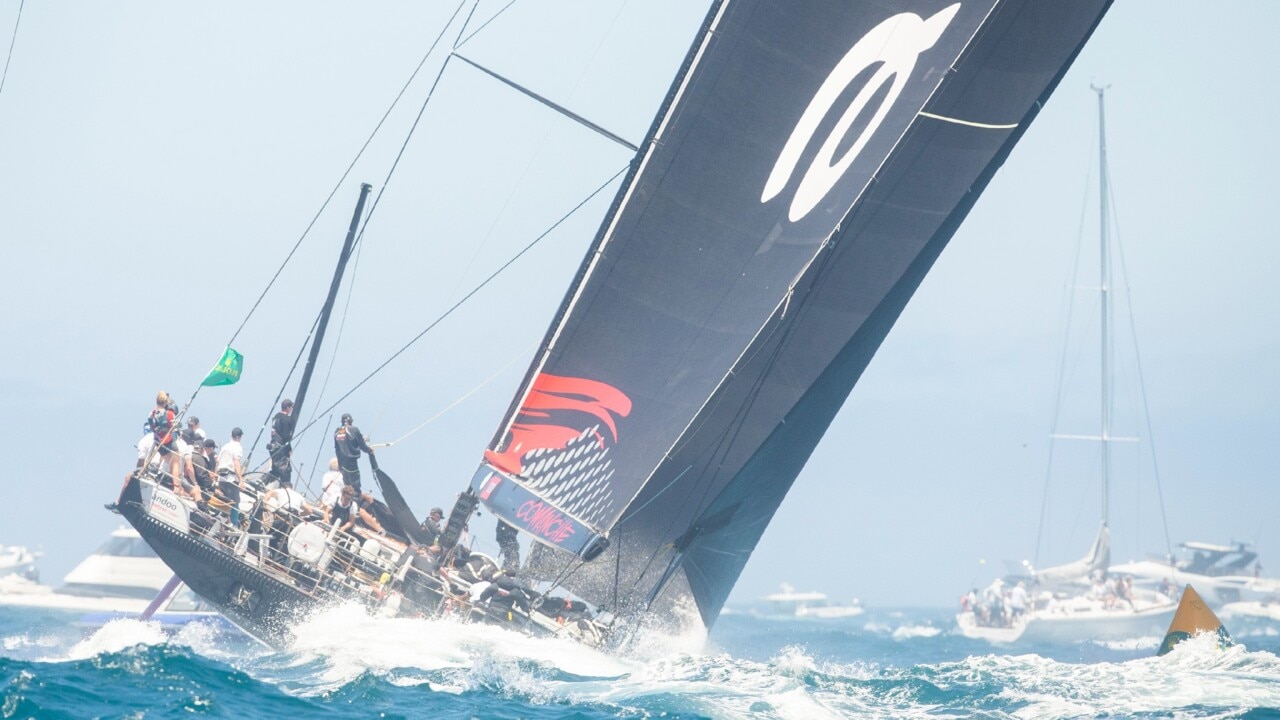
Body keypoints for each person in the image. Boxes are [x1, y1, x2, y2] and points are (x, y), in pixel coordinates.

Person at [333, 413, 375, 494]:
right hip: (351, 464)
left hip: (342, 464)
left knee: (346, 487)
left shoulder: (337, 431)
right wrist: (370, 450)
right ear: (350, 421)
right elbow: (362, 445)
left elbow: (338, 448)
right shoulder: (354, 429)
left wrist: (339, 465)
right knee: (355, 488)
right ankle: (355, 504)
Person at [216, 427, 246, 527]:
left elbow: (218, 462)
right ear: (238, 436)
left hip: (221, 478)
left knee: (223, 501)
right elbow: (236, 463)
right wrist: (241, 480)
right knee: (235, 502)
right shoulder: (238, 447)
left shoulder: (225, 446)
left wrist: (216, 477)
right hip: (231, 479)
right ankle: (234, 525)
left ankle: (221, 523)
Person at [269, 399, 294, 485]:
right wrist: (289, 449)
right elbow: (286, 437)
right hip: (280, 449)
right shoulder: (286, 419)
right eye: (291, 407)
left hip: (273, 446)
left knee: (275, 470)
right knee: (285, 471)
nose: (291, 409)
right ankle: (286, 489)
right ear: (287, 408)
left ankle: (260, 482)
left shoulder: (276, 416)